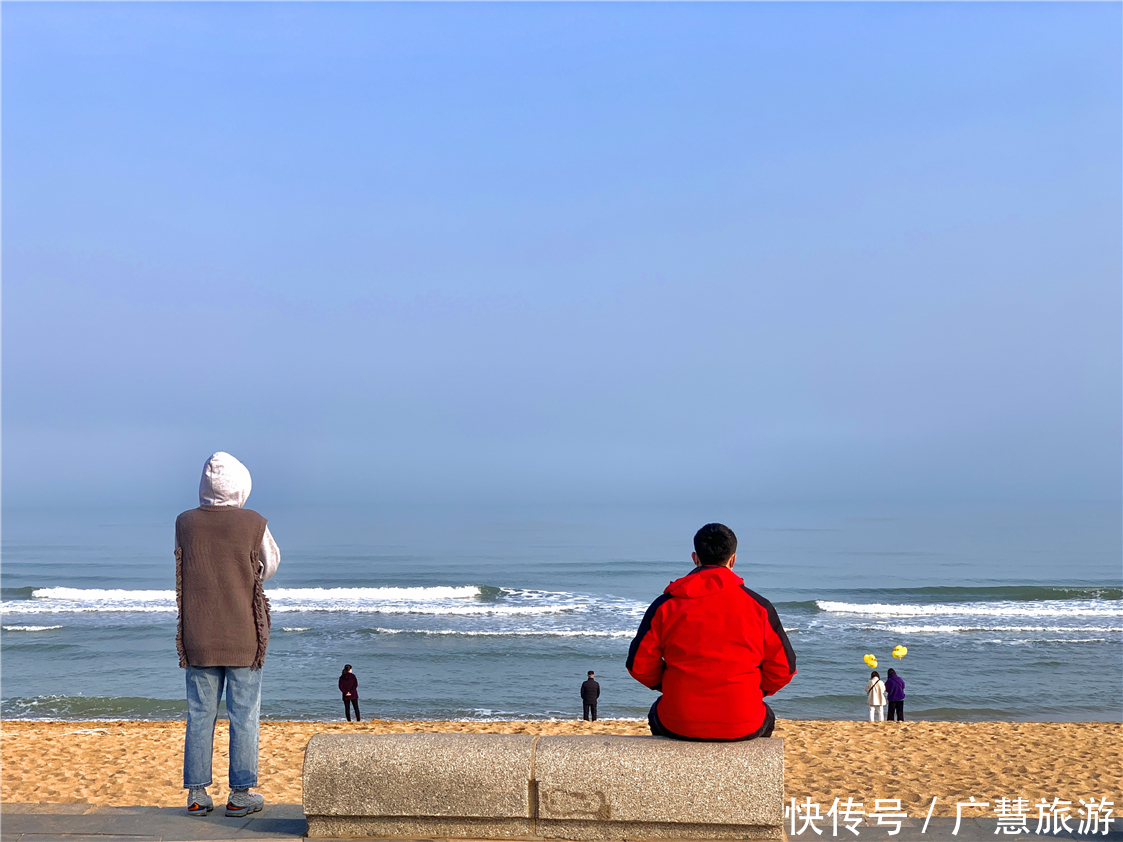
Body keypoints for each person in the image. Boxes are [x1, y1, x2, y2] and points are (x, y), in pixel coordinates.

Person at [176, 452, 280, 818]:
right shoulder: (253, 522)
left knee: (200, 714)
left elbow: (188, 565)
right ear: (240, 484)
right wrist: (243, 575)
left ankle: (197, 793)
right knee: (244, 716)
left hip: (198, 632)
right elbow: (270, 564)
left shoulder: (185, 522)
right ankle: (240, 793)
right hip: (243, 634)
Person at [627, 523, 796, 741]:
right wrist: (753, 690)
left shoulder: (665, 605)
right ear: (733, 560)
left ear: (695, 558)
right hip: (743, 721)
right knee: (767, 716)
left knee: (656, 711)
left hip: (679, 722)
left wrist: (666, 684)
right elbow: (784, 669)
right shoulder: (759, 607)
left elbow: (639, 665)